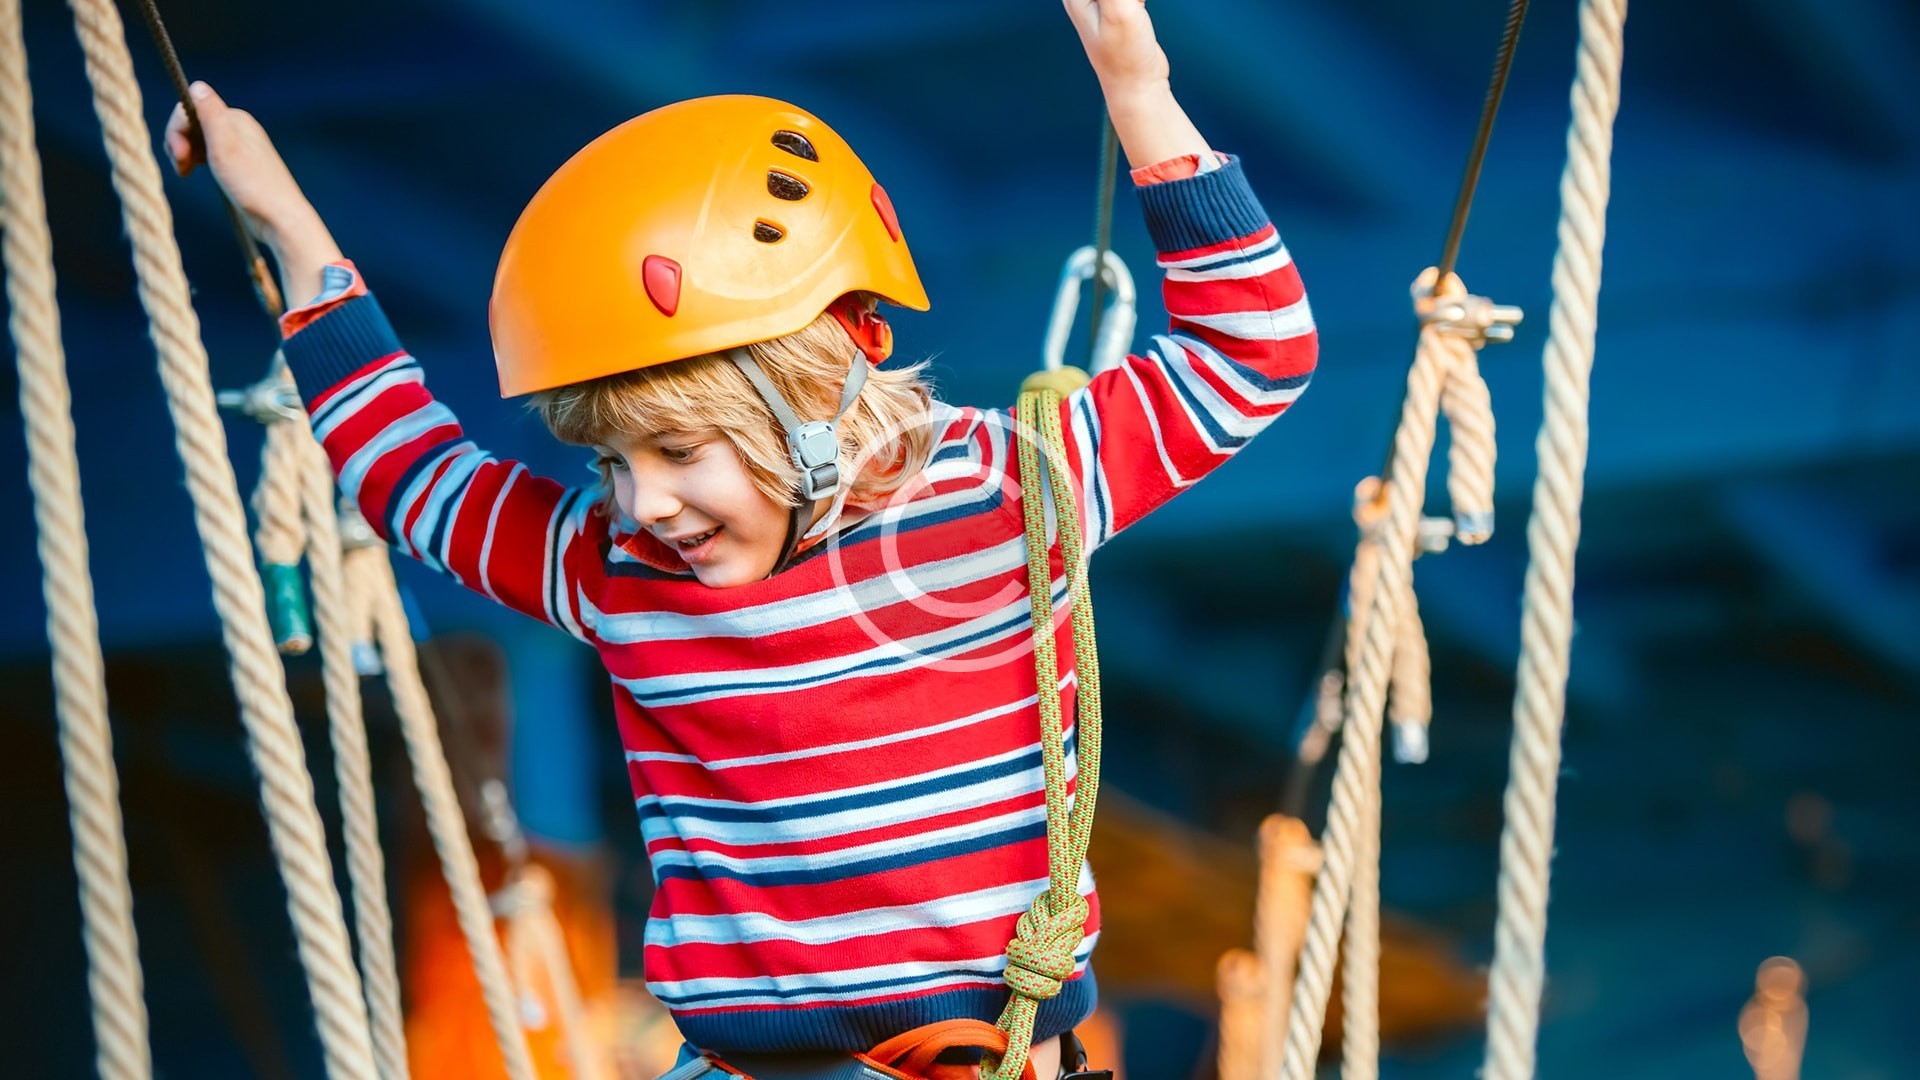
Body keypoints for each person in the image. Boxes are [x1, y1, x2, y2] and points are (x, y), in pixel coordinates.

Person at [167, 1, 1316, 1075]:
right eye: (611, 463)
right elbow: (415, 477)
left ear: (817, 393)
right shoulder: (620, 575)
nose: (641, 504)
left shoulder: (1002, 495)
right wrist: (289, 225)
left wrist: (1140, 93)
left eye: (678, 452)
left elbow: (1254, 354)